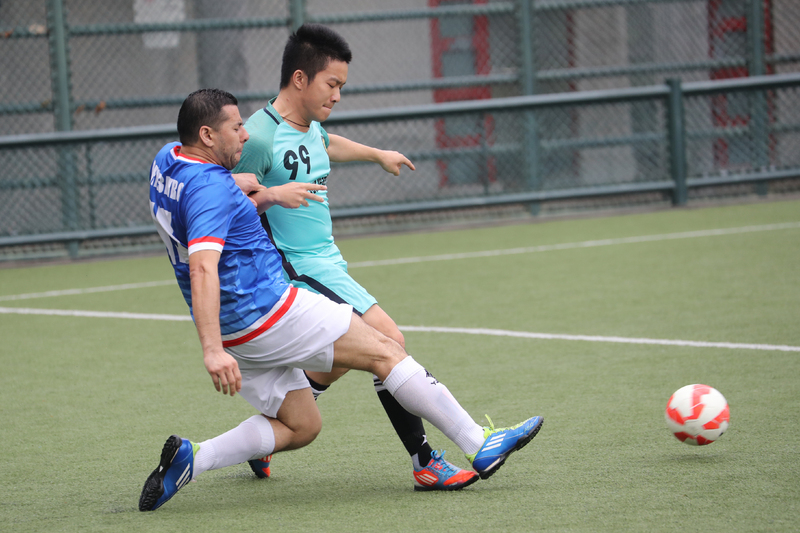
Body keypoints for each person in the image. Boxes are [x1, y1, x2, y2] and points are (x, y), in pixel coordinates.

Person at [139, 88, 543, 512]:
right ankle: (477, 443)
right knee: (387, 348)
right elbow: (203, 267)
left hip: (236, 329)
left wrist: (260, 192)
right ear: (206, 135)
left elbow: (203, 194)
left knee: (302, 425)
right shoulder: (210, 189)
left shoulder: (168, 161)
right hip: (267, 310)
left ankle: (194, 458)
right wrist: (211, 351)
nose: (244, 135)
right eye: (236, 127)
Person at [230, 23, 476, 491]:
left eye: (341, 85)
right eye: (332, 84)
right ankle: (425, 461)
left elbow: (325, 143)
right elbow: (229, 202)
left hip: (327, 262)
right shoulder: (258, 138)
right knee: (388, 339)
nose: (338, 95)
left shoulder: (307, 125)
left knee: (337, 361)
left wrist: (377, 153)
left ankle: (267, 437)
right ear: (300, 78)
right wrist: (273, 196)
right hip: (295, 266)